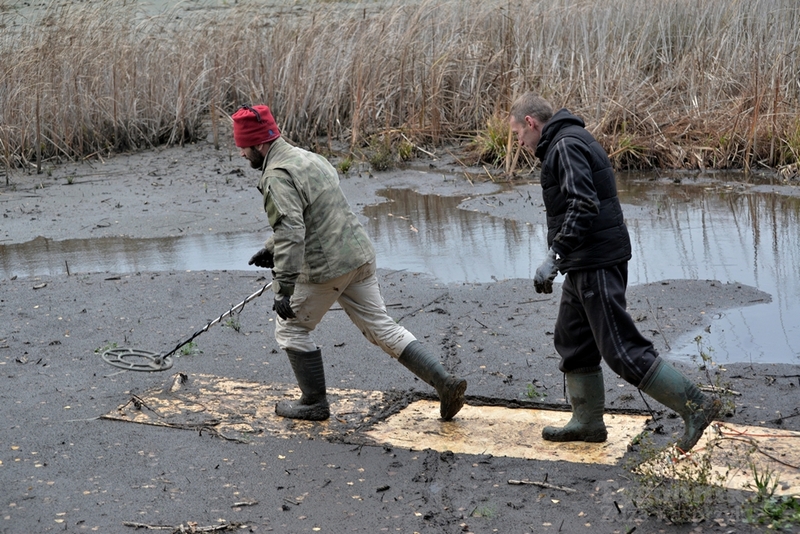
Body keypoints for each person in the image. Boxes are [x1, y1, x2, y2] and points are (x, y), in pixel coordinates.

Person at [508, 92, 721, 452]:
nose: (519, 143)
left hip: (595, 261)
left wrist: (553, 256)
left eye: (517, 135)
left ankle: (696, 405)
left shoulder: (563, 146)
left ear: (531, 123)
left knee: (622, 350)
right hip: (586, 261)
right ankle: (588, 422)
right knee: (573, 340)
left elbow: (584, 204)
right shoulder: (568, 139)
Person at [232, 104, 467, 421]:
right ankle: (444, 382)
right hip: (358, 256)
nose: (242, 154)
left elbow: (291, 230)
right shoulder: (308, 158)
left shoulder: (276, 176)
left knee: (291, 330)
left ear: (259, 143)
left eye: (243, 147)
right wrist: (271, 247)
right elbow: (315, 213)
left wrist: (283, 288)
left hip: (327, 268)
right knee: (381, 326)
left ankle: (314, 402)